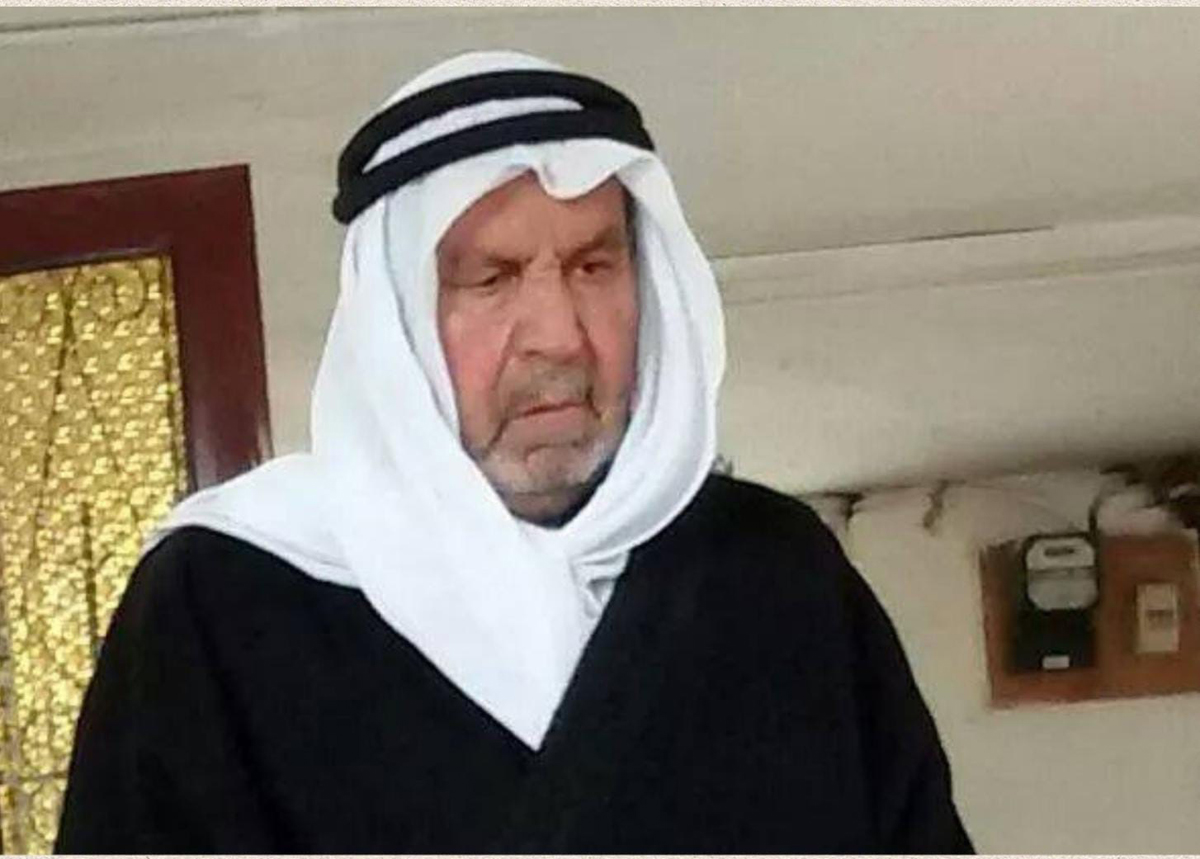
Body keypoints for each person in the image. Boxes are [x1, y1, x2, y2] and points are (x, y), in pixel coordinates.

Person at [55, 50, 972, 854]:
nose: (558, 336)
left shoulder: (776, 576)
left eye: (593, 267)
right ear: (398, 323)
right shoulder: (223, 602)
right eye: (491, 279)